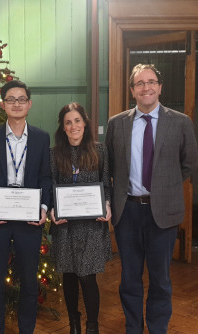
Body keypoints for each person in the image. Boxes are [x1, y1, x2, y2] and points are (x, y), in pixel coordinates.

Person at [105, 64, 198, 334]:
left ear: (160, 87)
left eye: (151, 82)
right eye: (140, 83)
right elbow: (109, 166)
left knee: (161, 279)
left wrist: (163, 187)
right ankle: (133, 327)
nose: (146, 87)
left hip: (163, 213)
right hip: (128, 213)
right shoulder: (116, 123)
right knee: (129, 279)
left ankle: (158, 328)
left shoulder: (180, 122)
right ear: (132, 90)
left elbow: (188, 164)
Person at [0, 80, 51, 333]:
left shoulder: (41, 137)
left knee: (29, 282)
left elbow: (45, 177)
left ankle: (26, 329)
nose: (16, 104)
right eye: (10, 99)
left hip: (29, 221)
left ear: (29, 104)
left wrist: (42, 207)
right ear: (2, 103)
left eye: (21, 99)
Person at [50, 102, 111, 334]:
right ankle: (74, 322)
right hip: (65, 226)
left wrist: (106, 204)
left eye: (77, 120)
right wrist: (53, 209)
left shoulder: (100, 150)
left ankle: (92, 325)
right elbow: (52, 186)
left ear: (85, 123)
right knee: (69, 275)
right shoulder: (54, 154)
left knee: (87, 276)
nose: (73, 126)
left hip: (92, 226)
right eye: (68, 122)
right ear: (62, 127)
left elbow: (106, 184)